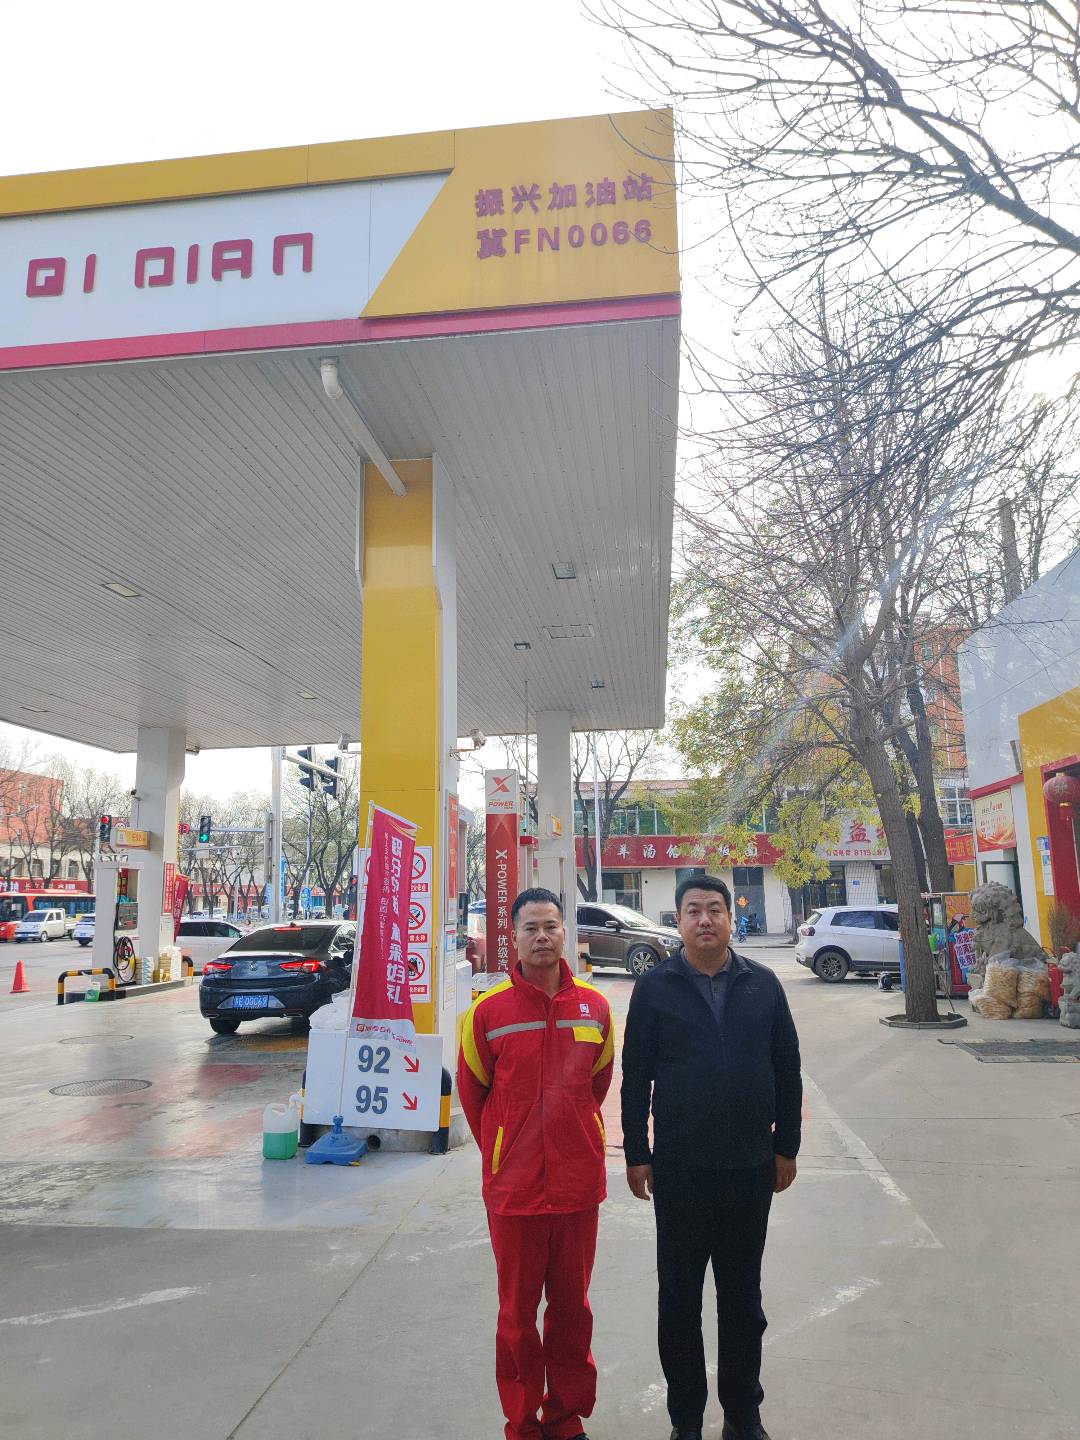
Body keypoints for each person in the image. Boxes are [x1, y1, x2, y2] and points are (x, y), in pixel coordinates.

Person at [621, 874, 802, 1440]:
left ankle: (743, 1417)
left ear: (730, 918)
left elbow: (788, 1069)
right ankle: (686, 1422)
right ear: (678, 921)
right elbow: (636, 1078)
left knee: (743, 1301)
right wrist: (637, 1152)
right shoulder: (655, 988)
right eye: (694, 910)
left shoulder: (763, 984)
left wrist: (786, 1145)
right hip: (681, 1170)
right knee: (679, 1302)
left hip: (750, 1167)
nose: (705, 919)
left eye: (715, 909)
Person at [458, 887, 615, 1440]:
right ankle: (522, 1423)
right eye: (531, 928)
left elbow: (597, 1084)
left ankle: (565, 1418)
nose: (542, 936)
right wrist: (505, 1150)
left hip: (577, 1186)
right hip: (515, 1191)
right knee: (517, 1317)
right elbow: (475, 1096)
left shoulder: (595, 1007)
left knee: (572, 1311)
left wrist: (574, 1135)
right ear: (514, 937)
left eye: (551, 926)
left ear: (565, 932)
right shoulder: (487, 1012)